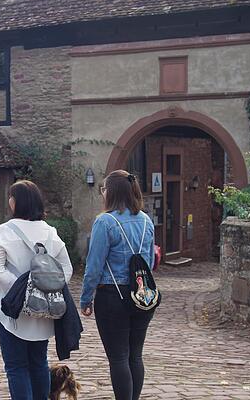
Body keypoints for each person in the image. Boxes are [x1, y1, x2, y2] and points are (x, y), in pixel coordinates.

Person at [0, 180, 73, 400]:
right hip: (43, 309)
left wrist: (21, 291)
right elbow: (66, 268)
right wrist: (46, 288)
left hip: (11, 309)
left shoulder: (4, 231)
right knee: (38, 363)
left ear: (14, 203)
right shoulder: (50, 232)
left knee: (16, 366)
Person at [79, 170, 156, 400]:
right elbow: (150, 261)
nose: (102, 193)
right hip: (142, 294)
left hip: (113, 295)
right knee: (135, 355)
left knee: (119, 357)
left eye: (103, 189)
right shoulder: (146, 220)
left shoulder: (105, 221)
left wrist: (85, 298)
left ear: (110, 192)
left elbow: (94, 266)